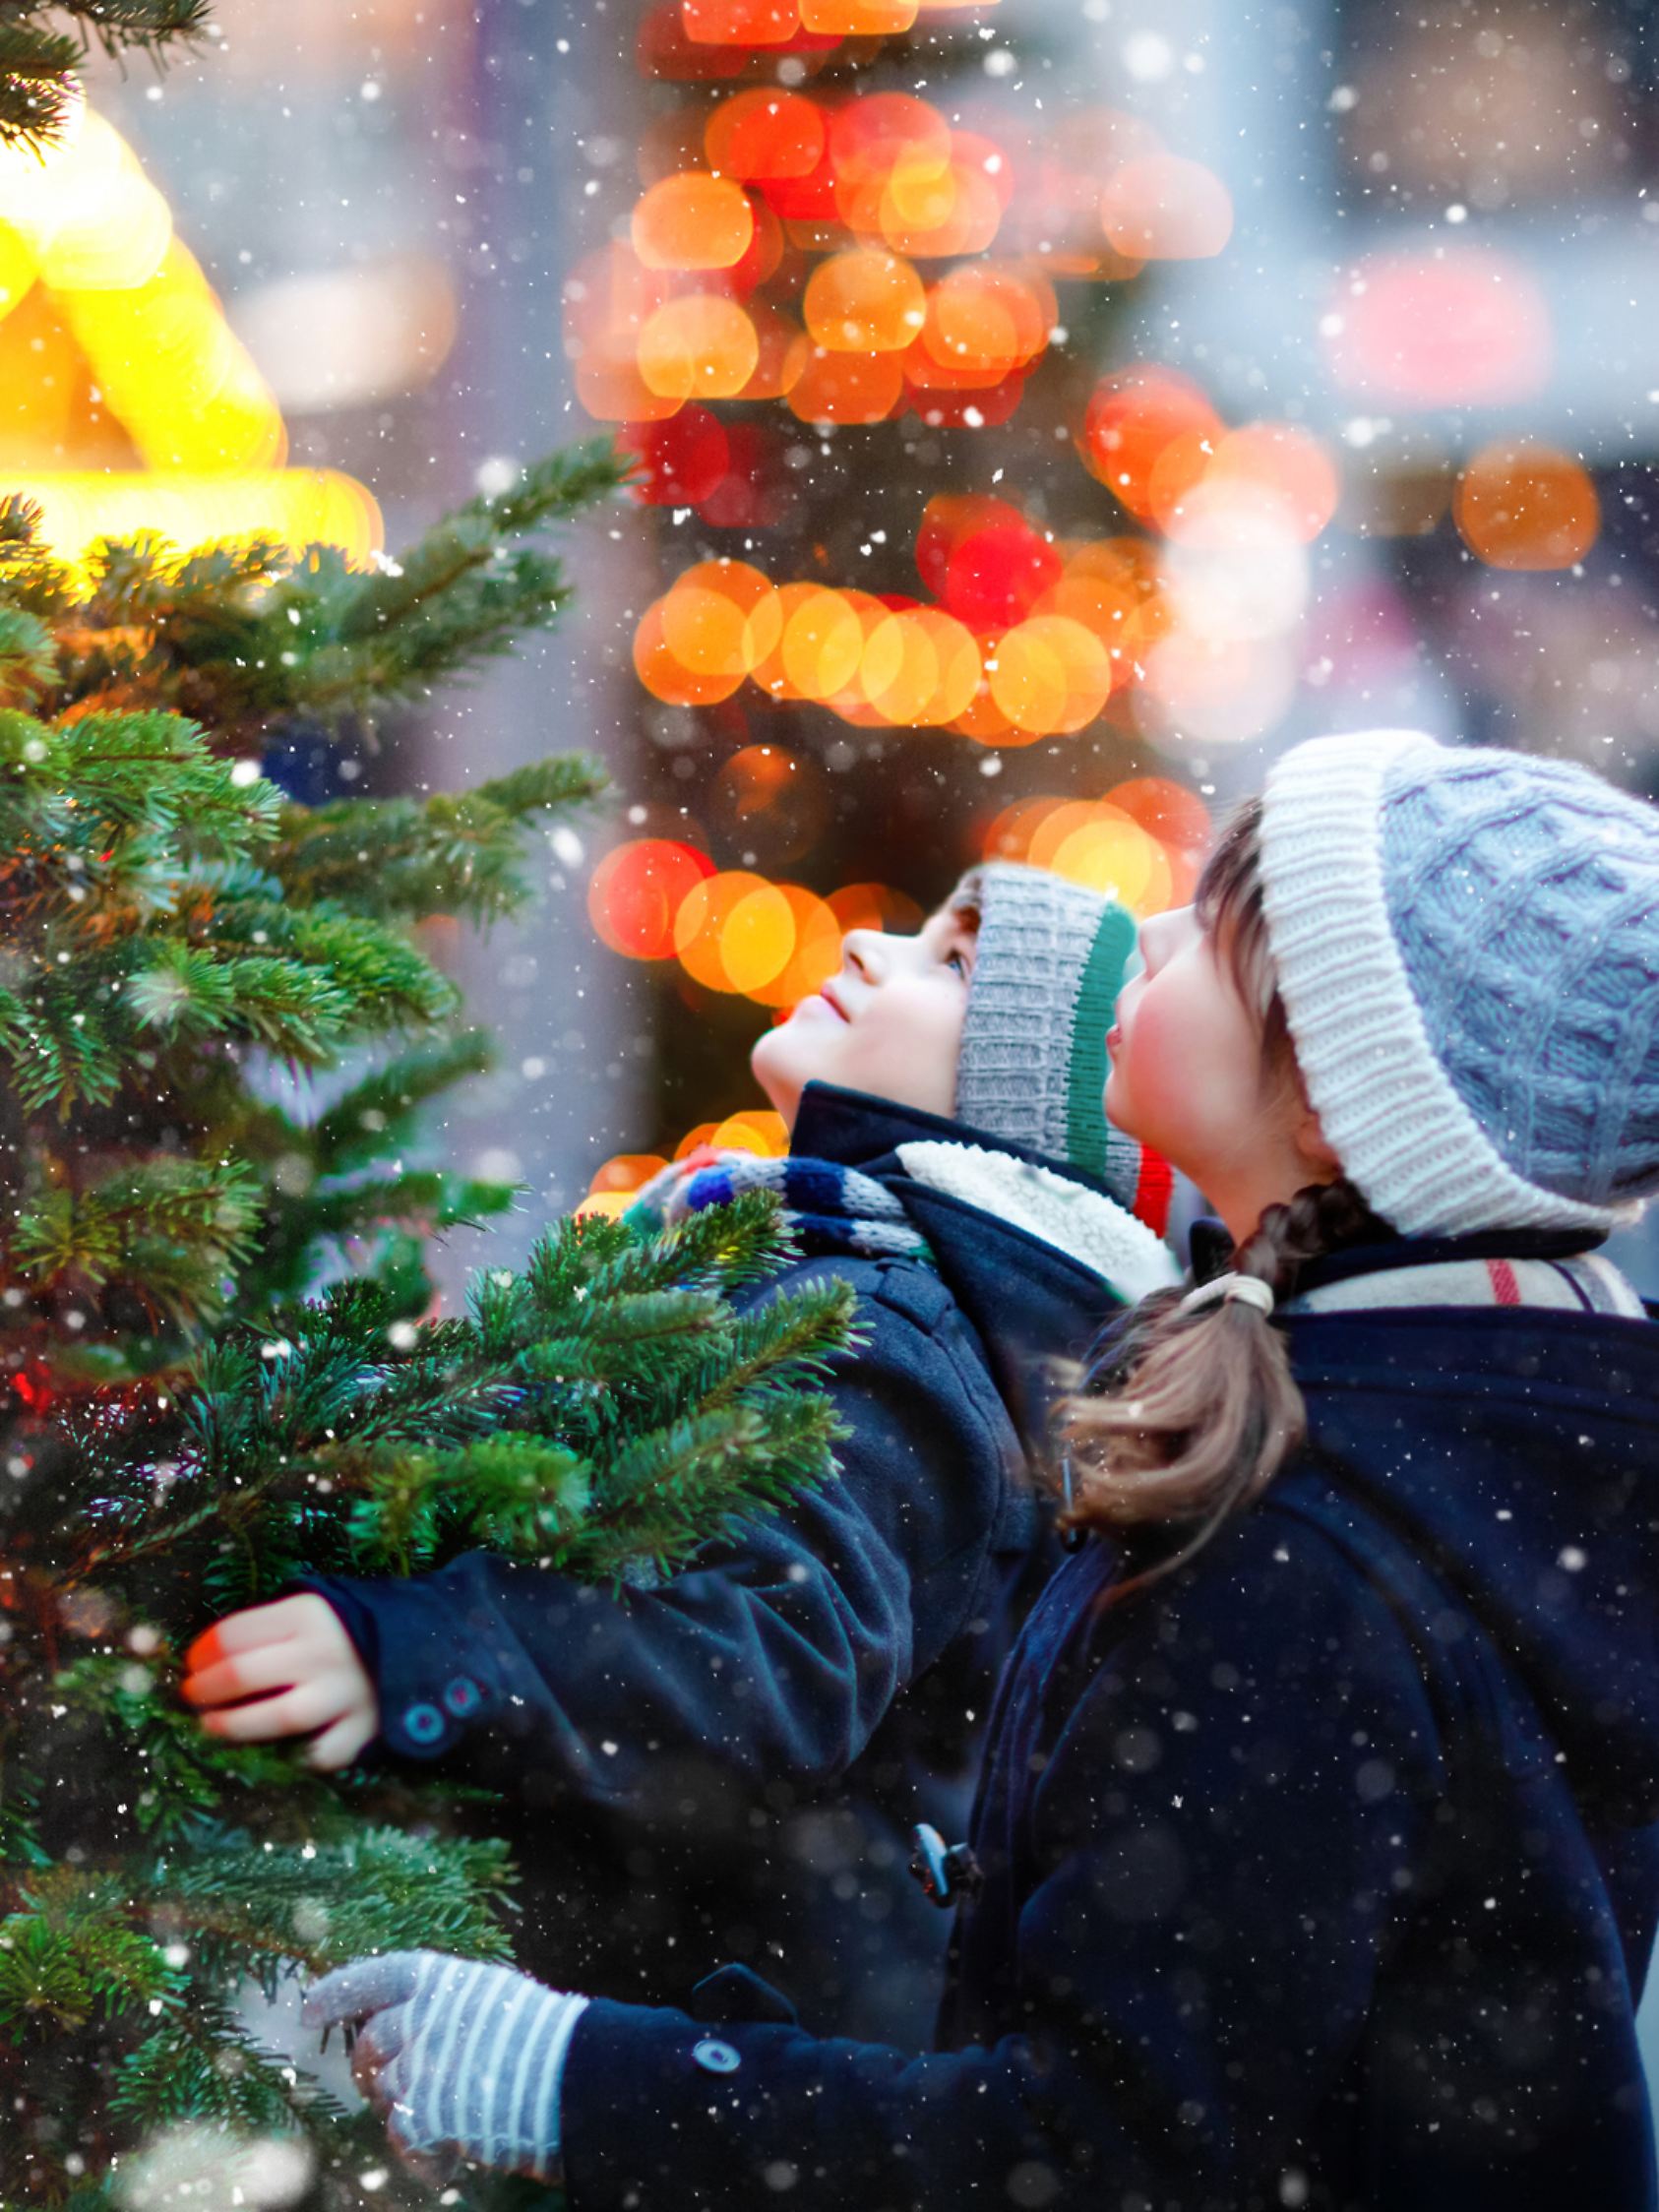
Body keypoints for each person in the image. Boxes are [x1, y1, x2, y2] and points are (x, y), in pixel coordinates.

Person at [307, 730, 1659, 2211]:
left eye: (1213, 928)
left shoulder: (1302, 1554)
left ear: (1331, 1090)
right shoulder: (1472, 1450)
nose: (1143, 933)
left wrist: (572, 2079)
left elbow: (1097, 2157)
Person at [183, 864, 1176, 2044]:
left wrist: (422, 1651)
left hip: (721, 2044)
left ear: (1017, 1111)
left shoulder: (889, 1335)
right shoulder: (831, 1270)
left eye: (953, 964)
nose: (868, 943)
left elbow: (768, 1645)